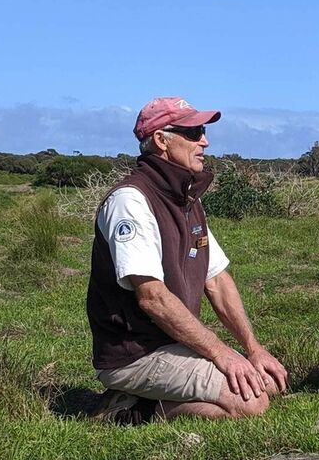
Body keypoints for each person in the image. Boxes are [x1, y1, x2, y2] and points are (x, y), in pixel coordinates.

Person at [86, 96, 288, 421]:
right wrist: (221, 353)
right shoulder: (131, 201)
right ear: (161, 140)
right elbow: (153, 299)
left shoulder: (187, 199)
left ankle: (140, 399)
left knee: (268, 382)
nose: (204, 141)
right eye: (193, 133)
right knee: (252, 402)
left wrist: (252, 348)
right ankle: (131, 409)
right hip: (136, 353)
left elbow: (218, 281)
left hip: (173, 341)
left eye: (203, 131)